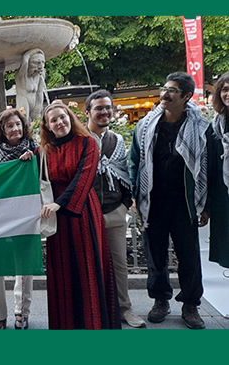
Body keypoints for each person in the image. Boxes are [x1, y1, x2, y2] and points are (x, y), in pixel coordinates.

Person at [130, 72, 209, 329]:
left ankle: (190, 304)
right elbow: (135, 161)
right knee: (155, 254)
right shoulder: (145, 126)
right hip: (153, 200)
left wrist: (206, 206)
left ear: (186, 96)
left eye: (172, 90)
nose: (165, 94)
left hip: (185, 201)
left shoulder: (201, 128)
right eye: (164, 88)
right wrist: (134, 193)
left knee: (189, 255)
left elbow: (209, 170)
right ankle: (160, 300)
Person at [36, 102, 119, 329]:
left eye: (62, 117)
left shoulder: (87, 143)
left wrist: (59, 204)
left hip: (82, 212)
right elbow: (26, 175)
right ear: (47, 126)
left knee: (87, 268)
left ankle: (93, 324)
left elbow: (85, 175)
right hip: (57, 218)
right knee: (62, 271)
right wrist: (25, 159)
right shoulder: (42, 151)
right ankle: (66, 325)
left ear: (70, 118)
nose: (59, 122)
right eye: (53, 120)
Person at [84, 90, 146, 329]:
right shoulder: (80, 140)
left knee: (120, 263)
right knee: (90, 263)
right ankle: (96, 309)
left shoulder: (117, 141)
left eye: (108, 108)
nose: (105, 112)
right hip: (87, 215)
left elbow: (125, 174)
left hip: (113, 212)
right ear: (88, 112)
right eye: (99, 108)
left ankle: (125, 308)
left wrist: (123, 205)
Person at [0, 109, 38, 330]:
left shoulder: (34, 148)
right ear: (1, 130)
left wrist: (30, 163)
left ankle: (21, 313)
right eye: (9, 126)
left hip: (24, 215)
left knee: (23, 266)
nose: (15, 129)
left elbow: (43, 175)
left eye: (18, 124)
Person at [207, 71, 229, 269]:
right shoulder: (214, 127)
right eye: (225, 89)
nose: (228, 94)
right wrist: (207, 206)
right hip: (224, 197)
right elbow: (211, 167)